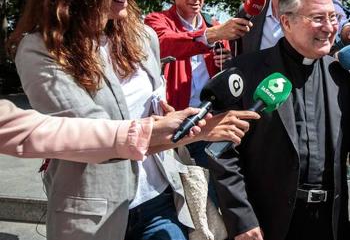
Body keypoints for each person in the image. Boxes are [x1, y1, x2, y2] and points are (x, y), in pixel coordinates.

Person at [8, 0, 259, 240]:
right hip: (94, 212)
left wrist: (172, 115)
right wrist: (191, 131)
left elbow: (154, 102)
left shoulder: (140, 36)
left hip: (158, 203)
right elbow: (94, 136)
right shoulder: (38, 50)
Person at [206, 0, 350, 240]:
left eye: (333, 17)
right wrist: (241, 217)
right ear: (286, 21)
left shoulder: (343, 77)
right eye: (318, 18)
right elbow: (224, 151)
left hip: (326, 227)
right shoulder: (246, 73)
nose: (329, 27)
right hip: (265, 223)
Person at [145, 0, 239, 240]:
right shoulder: (157, 22)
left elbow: (223, 80)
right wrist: (211, 35)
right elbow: (166, 44)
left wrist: (226, 67)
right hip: (170, 128)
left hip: (207, 127)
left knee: (207, 209)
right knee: (173, 208)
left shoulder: (215, 26)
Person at [0, 99, 225, 161]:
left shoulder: (143, 36)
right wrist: (145, 130)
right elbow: (36, 133)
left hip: (157, 189)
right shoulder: (37, 46)